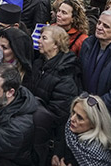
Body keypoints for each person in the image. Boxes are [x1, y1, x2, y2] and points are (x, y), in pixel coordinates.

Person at [29, 25, 80, 165]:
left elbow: (58, 114)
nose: (39, 41)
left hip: (47, 137)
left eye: (44, 38)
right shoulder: (39, 64)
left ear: (56, 45)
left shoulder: (65, 75)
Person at [51, 93, 111, 166]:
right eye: (73, 112)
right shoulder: (69, 127)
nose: (72, 119)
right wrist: (55, 154)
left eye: (80, 117)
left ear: (93, 123)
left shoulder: (97, 153)